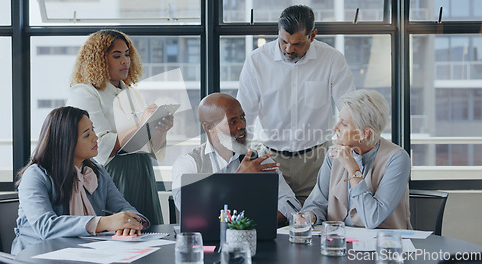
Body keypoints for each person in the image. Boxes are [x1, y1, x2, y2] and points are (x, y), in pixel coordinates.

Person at [236, 5, 355, 205]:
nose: (289, 49)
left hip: (316, 160)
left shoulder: (332, 59)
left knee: (316, 222)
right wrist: (242, 160)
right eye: (283, 41)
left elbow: (350, 111)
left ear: (313, 35)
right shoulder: (257, 61)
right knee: (271, 220)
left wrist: (346, 152)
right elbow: (243, 116)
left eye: (297, 44)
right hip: (271, 160)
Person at [67, 29, 173, 224]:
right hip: (113, 174)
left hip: (143, 172)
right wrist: (143, 124)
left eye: (127, 54)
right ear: (98, 60)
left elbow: (151, 148)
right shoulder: (85, 92)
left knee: (147, 233)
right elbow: (100, 145)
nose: (125, 61)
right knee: (118, 233)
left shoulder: (132, 94)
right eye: (117, 56)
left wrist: (160, 129)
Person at [12, 107, 149, 254]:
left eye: (93, 130)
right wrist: (104, 222)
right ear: (66, 142)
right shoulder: (35, 175)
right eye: (87, 134)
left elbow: (124, 208)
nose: (95, 137)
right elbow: (46, 227)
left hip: (84, 252)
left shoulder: (96, 172)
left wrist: (130, 224)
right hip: (37, 255)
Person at [172, 93, 301, 225]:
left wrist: (248, 223)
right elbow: (192, 211)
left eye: (242, 117)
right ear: (209, 127)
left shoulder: (259, 161)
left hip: (255, 240)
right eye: (232, 121)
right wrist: (239, 179)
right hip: (206, 243)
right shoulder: (188, 164)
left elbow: (290, 204)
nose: (242, 126)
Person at [301, 90, 412, 229]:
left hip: (383, 246)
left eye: (344, 124)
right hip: (338, 242)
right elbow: (317, 203)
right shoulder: (334, 154)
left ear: (365, 133)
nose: (335, 128)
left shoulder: (397, 158)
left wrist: (352, 168)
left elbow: (372, 218)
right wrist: (310, 216)